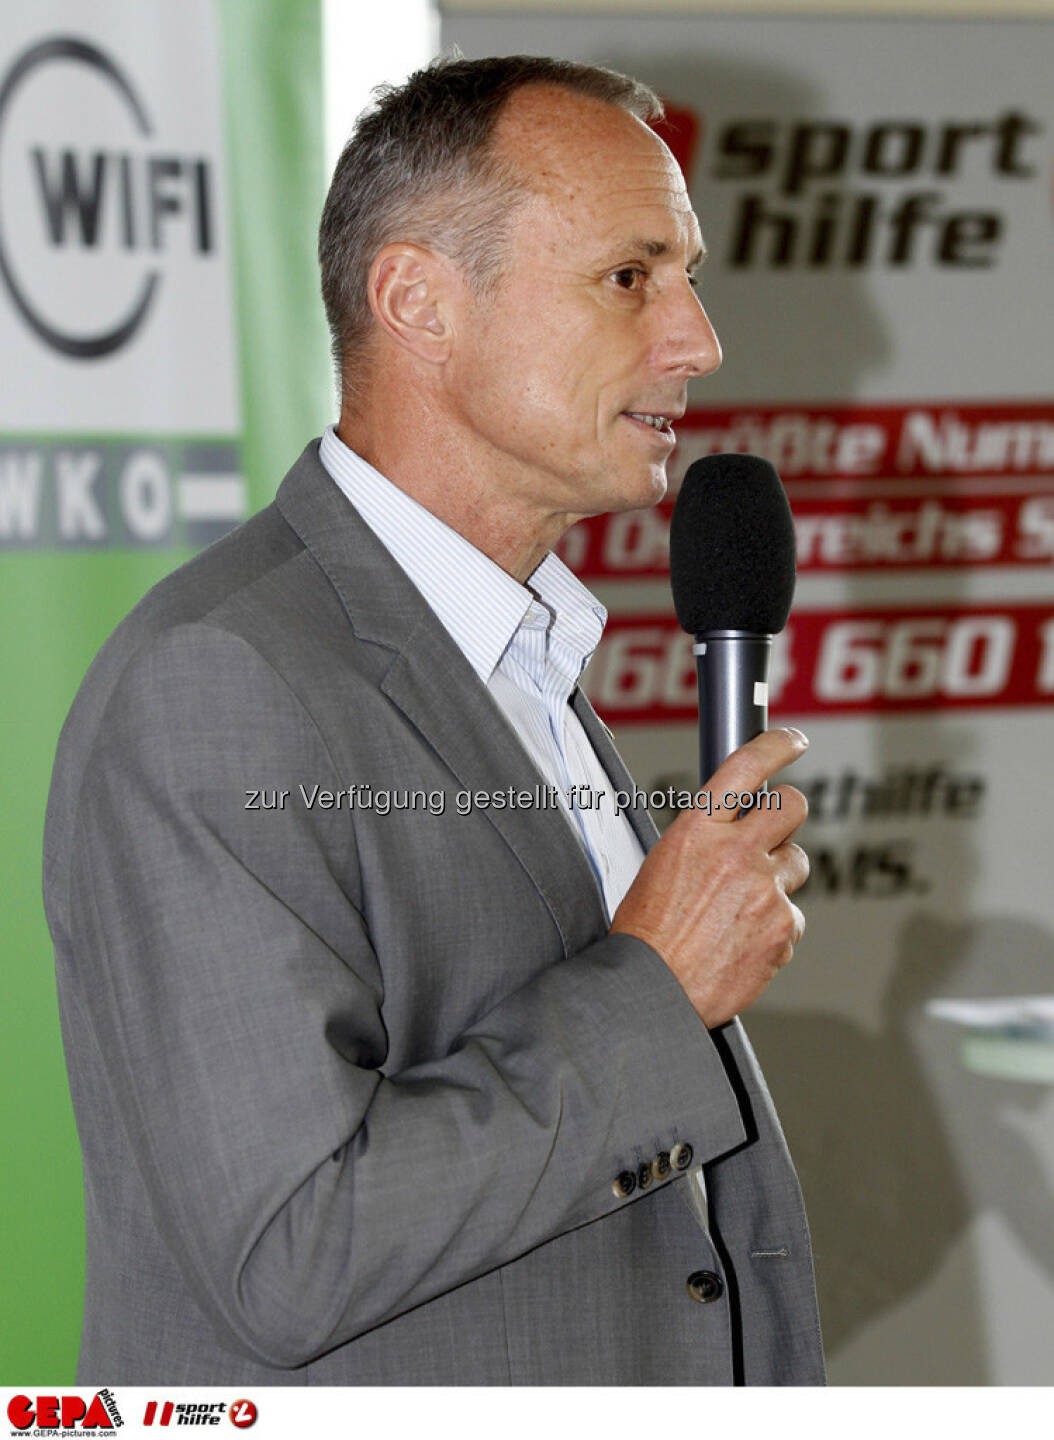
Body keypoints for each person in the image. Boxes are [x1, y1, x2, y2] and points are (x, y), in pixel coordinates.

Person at [43, 54, 824, 1386]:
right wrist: (655, 987)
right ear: (416, 301)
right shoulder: (221, 682)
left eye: (683, 276)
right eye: (630, 276)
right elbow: (290, 1249)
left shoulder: (513, 642)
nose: (696, 340)